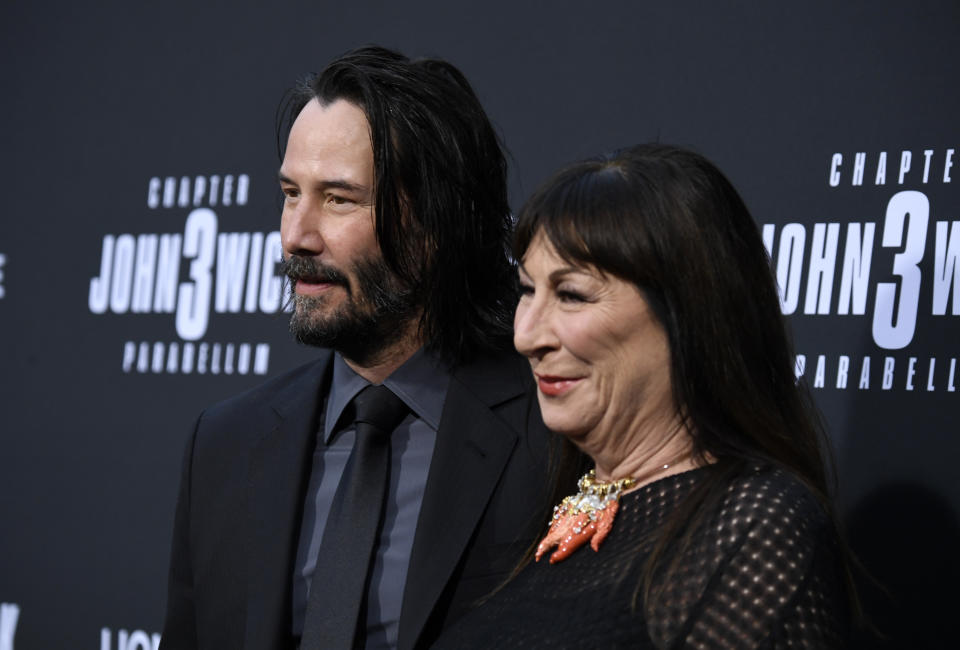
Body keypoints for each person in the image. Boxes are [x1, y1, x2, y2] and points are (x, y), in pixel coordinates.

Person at [159, 46, 561, 650]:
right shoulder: (224, 443)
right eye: (291, 193)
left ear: (437, 223)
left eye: (339, 199)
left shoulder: (554, 437)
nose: (297, 235)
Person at [433, 144, 853, 648]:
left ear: (687, 315)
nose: (526, 335)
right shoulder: (570, 499)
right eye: (527, 290)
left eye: (571, 295)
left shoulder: (754, 526)